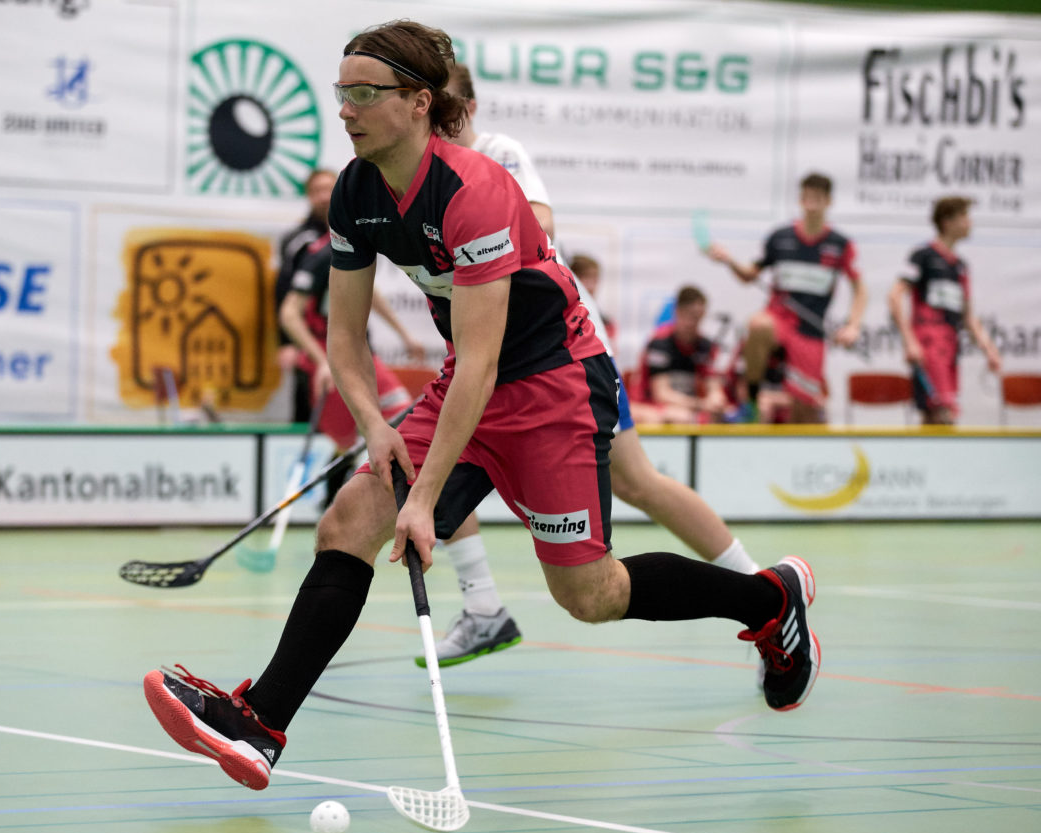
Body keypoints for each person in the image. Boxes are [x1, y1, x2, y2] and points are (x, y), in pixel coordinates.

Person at [141, 21, 820, 792]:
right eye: (342, 93)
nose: (346, 110)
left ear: (418, 102)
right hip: (471, 378)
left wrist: (425, 498)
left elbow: (488, 361)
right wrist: (374, 425)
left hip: (553, 383)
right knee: (351, 518)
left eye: (366, 93)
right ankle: (261, 722)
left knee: (589, 594)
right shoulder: (359, 192)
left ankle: (769, 598)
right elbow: (347, 340)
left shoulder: (475, 190)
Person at [421, 63, 767, 669]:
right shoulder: (418, 178)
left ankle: (762, 592)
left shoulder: (497, 152)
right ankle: (482, 609)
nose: (439, 125)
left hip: (559, 349)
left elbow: (540, 223)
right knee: (441, 460)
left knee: (638, 482)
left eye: (448, 110)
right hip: (498, 353)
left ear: (468, 108)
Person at [279, 223, 425, 504]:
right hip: (329, 352)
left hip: (360, 351)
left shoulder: (361, 246)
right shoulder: (322, 255)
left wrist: (404, 335)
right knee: (344, 440)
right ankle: (332, 502)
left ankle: (409, 500)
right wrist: (321, 360)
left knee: (403, 418)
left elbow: (370, 293)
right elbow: (289, 314)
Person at [707, 173, 867, 423]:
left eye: (818, 198)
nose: (811, 204)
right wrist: (729, 260)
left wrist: (853, 325)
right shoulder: (780, 238)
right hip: (778, 318)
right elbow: (749, 275)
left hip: (810, 331)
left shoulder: (840, 245)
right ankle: (751, 401)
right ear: (801, 200)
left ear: (829, 202)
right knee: (758, 324)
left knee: (806, 410)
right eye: (807, 198)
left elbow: (860, 288)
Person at [888, 196, 1001, 424]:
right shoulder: (923, 256)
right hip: (928, 346)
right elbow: (895, 296)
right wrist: (910, 341)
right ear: (947, 222)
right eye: (964, 217)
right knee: (941, 413)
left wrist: (988, 349)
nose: (970, 223)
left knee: (942, 414)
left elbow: (968, 316)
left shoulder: (960, 267)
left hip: (950, 348)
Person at [274, 169, 338, 423]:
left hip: (344, 339)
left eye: (329, 189)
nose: (324, 196)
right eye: (317, 191)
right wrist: (286, 342)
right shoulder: (302, 241)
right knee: (309, 413)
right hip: (311, 340)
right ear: (309, 197)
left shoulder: (349, 234)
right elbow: (284, 295)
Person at [630, 285, 730, 425]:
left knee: (717, 416)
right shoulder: (660, 343)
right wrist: (701, 404)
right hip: (648, 405)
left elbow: (713, 384)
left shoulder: (705, 345)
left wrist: (716, 399)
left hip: (685, 407)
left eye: (698, 317)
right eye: (689, 316)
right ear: (677, 312)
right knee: (680, 417)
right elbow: (662, 394)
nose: (693, 323)